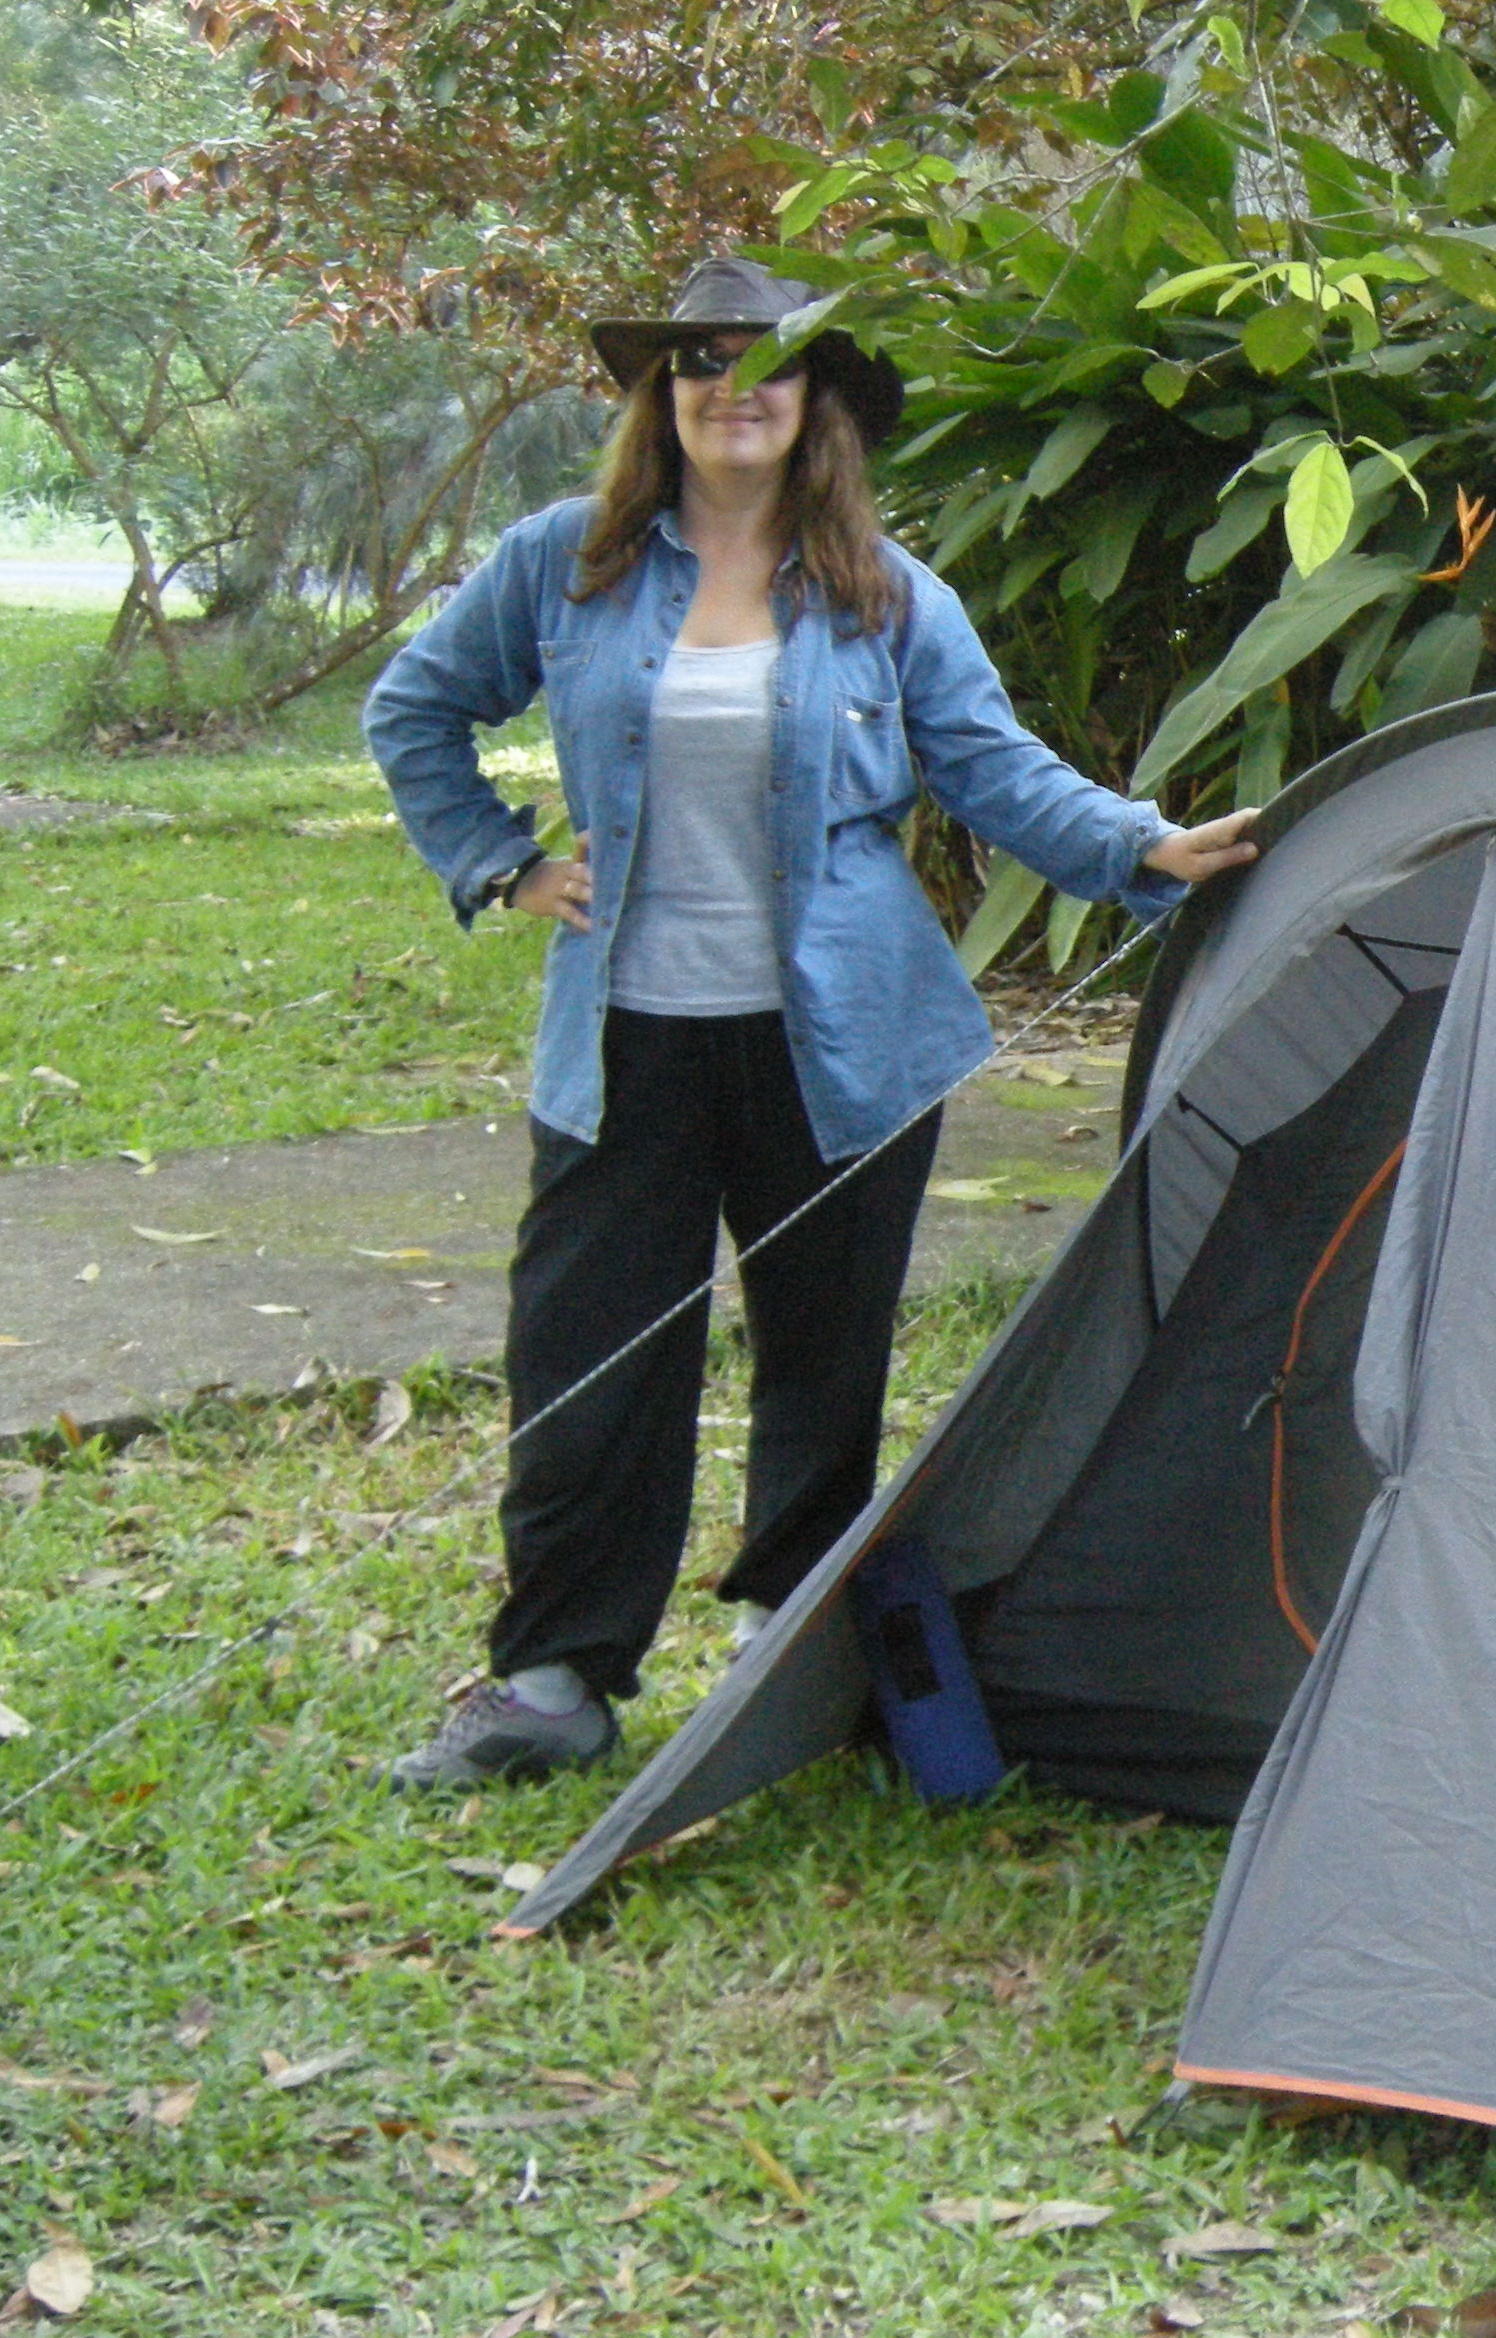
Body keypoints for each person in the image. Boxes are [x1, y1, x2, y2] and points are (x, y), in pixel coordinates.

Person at [362, 255, 1257, 1788]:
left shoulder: (889, 593)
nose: (735, 388)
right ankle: (554, 1683)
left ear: (819, 401)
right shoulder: (563, 561)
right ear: (663, 397)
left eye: (769, 361)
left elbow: (995, 770)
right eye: (700, 361)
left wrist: (1144, 847)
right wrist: (502, 863)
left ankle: (788, 1661)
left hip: (848, 1045)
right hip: (626, 1040)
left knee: (822, 1364)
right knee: (586, 1352)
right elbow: (413, 708)